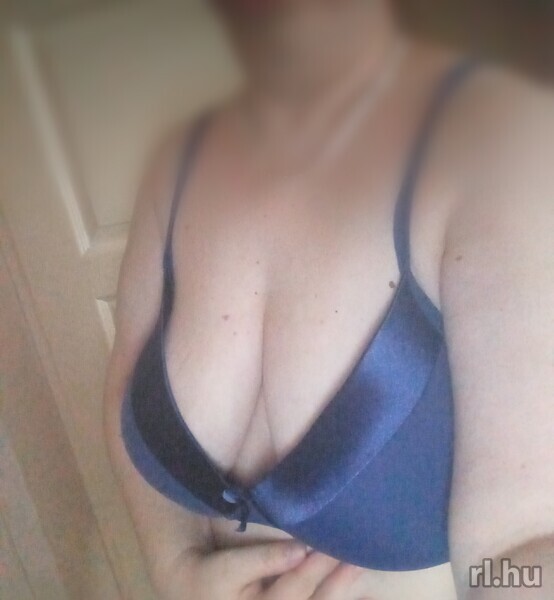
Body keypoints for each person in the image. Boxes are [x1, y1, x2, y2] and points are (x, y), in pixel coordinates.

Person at [103, 1, 554, 598]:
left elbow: (519, 549)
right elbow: (123, 385)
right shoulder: (177, 159)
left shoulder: (502, 147)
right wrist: (173, 566)